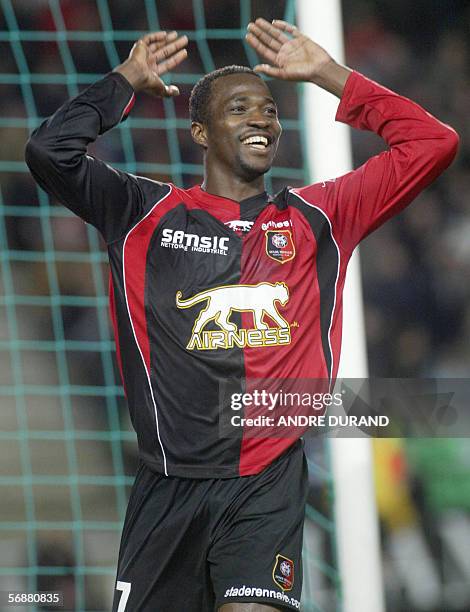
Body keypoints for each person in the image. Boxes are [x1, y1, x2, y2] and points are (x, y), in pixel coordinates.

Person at [25, 17, 458, 612]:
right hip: (168, 483)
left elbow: (433, 143)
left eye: (270, 110)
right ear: (199, 131)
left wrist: (331, 74)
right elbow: (49, 150)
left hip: (266, 483)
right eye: (239, 108)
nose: (261, 118)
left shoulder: (321, 217)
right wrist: (124, 82)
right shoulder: (141, 212)